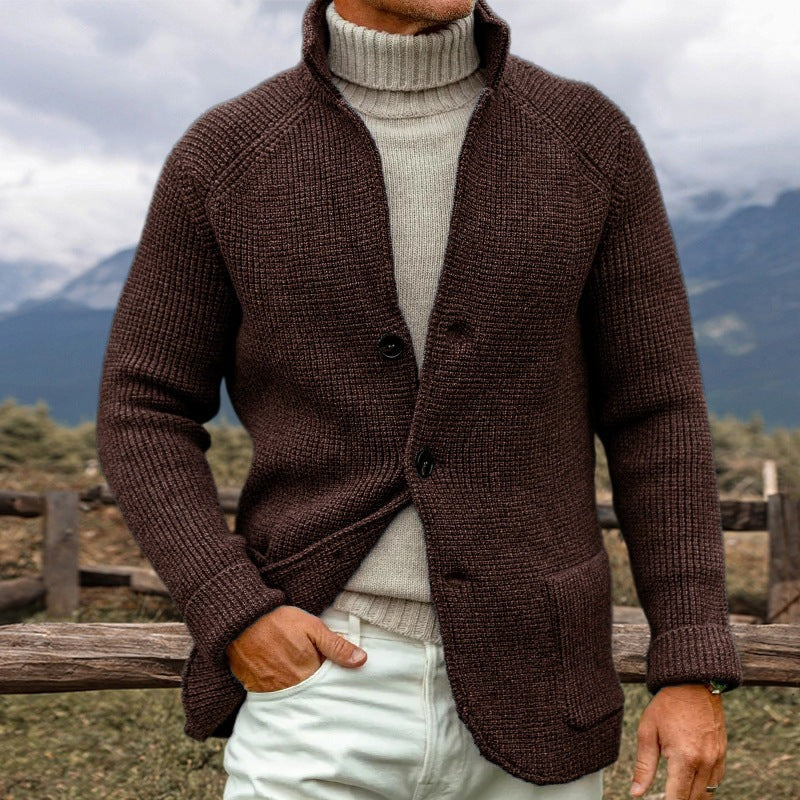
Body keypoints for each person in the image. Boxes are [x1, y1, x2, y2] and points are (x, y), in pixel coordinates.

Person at [95, 0, 744, 798]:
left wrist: (690, 658)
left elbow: (658, 414)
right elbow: (144, 406)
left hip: (542, 683)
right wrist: (232, 607)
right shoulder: (228, 155)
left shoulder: (587, 139)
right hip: (319, 684)